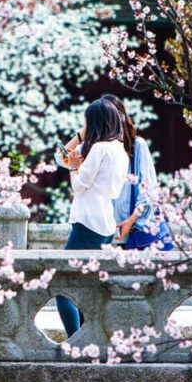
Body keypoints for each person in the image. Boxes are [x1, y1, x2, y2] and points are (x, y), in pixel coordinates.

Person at [57, 100, 129, 337]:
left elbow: (79, 185)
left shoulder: (99, 149)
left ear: (95, 122)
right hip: (105, 222)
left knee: (62, 286)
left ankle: (75, 340)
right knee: (86, 287)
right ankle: (86, 339)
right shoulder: (120, 150)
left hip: (88, 222)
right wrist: (76, 155)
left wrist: (73, 168)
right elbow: (62, 158)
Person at [99, 94, 159, 244]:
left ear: (122, 117)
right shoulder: (98, 148)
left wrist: (130, 221)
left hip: (132, 228)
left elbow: (148, 190)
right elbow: (62, 160)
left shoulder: (137, 145)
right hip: (104, 229)